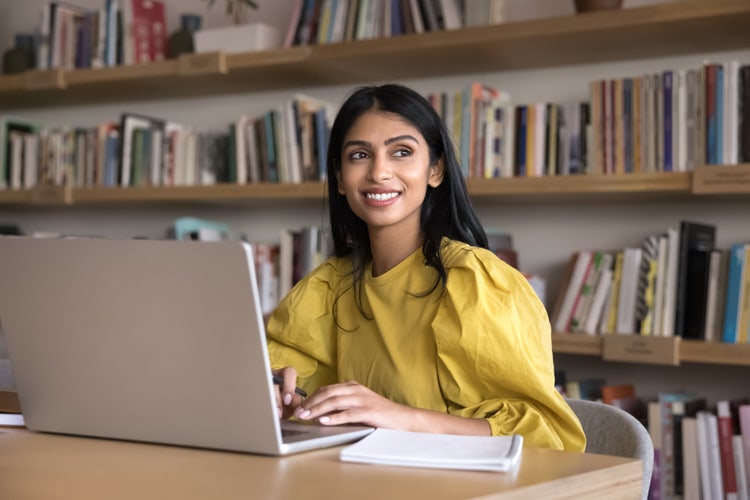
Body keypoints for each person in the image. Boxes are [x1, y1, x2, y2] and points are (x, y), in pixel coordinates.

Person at [266, 83, 585, 451]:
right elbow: (286, 385)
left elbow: (550, 436)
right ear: (339, 178)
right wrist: (276, 392)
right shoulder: (327, 287)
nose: (379, 172)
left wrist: (402, 418)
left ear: (435, 170)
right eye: (359, 156)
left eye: (401, 152)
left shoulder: (476, 282)